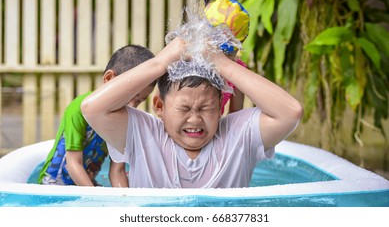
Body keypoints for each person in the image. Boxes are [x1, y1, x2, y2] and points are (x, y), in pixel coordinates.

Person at [81, 36, 304, 188]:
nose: (195, 119)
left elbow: (290, 112)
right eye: (184, 108)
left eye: (206, 108)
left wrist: (221, 63)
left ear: (220, 107)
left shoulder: (239, 135)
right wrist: (160, 63)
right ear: (159, 106)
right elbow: (92, 108)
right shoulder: (142, 133)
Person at [38, 44, 156, 187]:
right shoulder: (78, 108)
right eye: (130, 95)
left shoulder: (124, 123)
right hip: (54, 182)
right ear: (109, 78)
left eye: (138, 101)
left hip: (87, 182)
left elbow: (117, 171)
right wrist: (94, 197)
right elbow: (73, 164)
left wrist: (127, 201)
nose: (131, 105)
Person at [204, 0, 250, 115]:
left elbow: (235, 115)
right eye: (215, 50)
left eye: (228, 53)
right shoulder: (186, 63)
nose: (219, 58)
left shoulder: (237, 72)